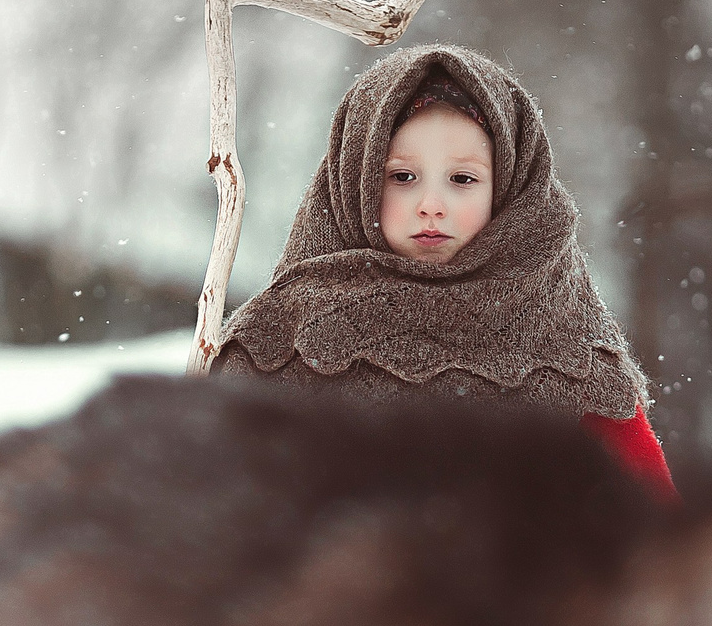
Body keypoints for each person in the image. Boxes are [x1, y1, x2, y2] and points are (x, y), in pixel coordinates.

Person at [214, 43, 674, 495]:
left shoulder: (568, 345)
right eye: (402, 177)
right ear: (356, 177)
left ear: (508, 189)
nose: (431, 206)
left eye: (462, 180)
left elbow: (654, 535)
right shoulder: (281, 336)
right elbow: (219, 517)